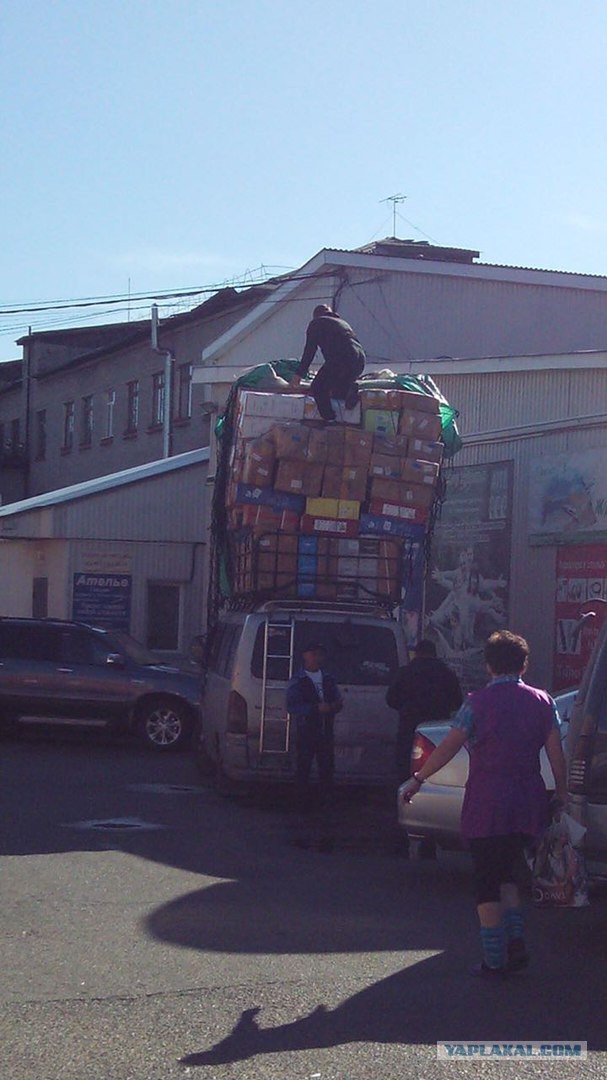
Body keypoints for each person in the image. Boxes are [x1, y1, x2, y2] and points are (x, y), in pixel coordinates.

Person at [399, 629, 568, 977]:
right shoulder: (543, 701)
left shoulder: (476, 704)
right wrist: (562, 793)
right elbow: (555, 753)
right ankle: (516, 941)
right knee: (508, 871)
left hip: (487, 801)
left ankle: (494, 959)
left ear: (488, 665)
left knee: (486, 879)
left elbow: (447, 748)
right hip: (527, 800)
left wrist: (418, 779)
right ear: (524, 664)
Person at [386, 639, 463, 857]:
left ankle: (401, 833)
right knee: (430, 781)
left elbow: (390, 699)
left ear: (417, 653)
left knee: (403, 778)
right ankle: (428, 837)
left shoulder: (405, 673)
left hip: (409, 732)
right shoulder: (447, 674)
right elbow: (457, 703)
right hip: (434, 735)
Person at [286, 642, 343, 848]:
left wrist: (334, 706)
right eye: (313, 654)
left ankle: (325, 808)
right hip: (307, 731)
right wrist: (315, 709)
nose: (316, 658)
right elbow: (292, 706)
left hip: (325, 731)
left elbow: (337, 700)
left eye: (319, 655)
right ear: (305, 656)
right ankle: (301, 808)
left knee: (327, 770)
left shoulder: (328, 679)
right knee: (303, 769)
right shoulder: (298, 680)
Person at [289, 304, 365, 421]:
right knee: (336, 391)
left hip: (340, 358)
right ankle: (350, 389)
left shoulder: (316, 323)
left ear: (315, 316)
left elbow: (309, 350)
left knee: (318, 387)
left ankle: (329, 419)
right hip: (359, 360)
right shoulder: (342, 323)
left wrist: (299, 373)